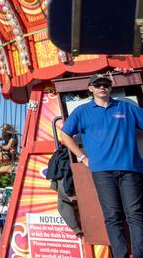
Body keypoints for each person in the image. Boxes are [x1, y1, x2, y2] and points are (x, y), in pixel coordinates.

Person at [59, 73, 143, 258]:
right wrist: (82, 157)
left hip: (130, 168)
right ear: (90, 88)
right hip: (102, 171)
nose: (102, 87)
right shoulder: (82, 111)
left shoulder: (127, 107)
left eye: (105, 84)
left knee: (135, 214)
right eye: (97, 85)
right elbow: (65, 135)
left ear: (111, 87)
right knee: (112, 216)